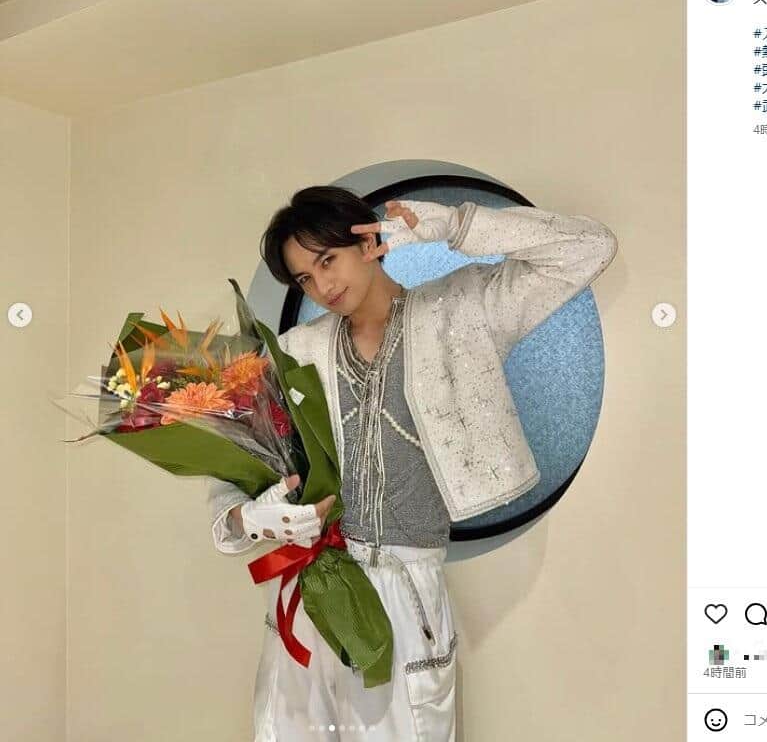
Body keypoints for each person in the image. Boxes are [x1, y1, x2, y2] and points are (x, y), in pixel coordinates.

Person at [207, 186, 618, 740]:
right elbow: (237, 451)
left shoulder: (462, 311)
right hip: (315, 590)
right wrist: (247, 517)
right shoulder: (298, 349)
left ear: (367, 241)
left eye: (327, 260)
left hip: (406, 591)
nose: (322, 287)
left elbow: (589, 247)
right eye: (304, 278)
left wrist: (455, 227)